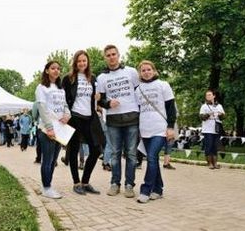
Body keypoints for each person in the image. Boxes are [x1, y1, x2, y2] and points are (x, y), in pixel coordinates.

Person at [97, 44, 140, 198]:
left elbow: (140, 93)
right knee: (115, 153)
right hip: (113, 120)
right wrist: (108, 104)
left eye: (113, 54)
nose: (111, 57)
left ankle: (129, 185)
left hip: (132, 118)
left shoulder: (131, 72)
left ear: (118, 55)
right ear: (105, 58)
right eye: (108, 55)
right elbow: (99, 100)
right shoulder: (101, 78)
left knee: (131, 153)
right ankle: (115, 183)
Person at [62, 50, 105, 195]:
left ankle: (85, 181)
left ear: (87, 62)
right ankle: (76, 182)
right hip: (75, 117)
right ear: (75, 62)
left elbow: (96, 97)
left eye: (84, 61)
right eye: (79, 61)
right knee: (74, 150)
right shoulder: (68, 79)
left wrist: (98, 98)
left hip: (90, 117)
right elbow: (64, 99)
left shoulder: (92, 78)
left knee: (96, 149)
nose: (81, 63)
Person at [134, 60, 177, 203]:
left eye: (148, 69)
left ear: (154, 70)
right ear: (140, 73)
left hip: (160, 129)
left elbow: (171, 108)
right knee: (153, 160)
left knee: (151, 157)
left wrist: (170, 127)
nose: (146, 72)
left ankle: (146, 190)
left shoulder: (163, 85)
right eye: (143, 70)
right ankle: (158, 189)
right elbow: (138, 110)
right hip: (144, 129)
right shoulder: (138, 89)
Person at [35, 61, 71, 199]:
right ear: (47, 71)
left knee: (54, 160)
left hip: (60, 128)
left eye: (58, 69)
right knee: (47, 160)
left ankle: (48, 185)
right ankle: (46, 188)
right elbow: (42, 109)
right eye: (53, 68)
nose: (56, 71)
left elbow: (65, 104)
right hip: (47, 129)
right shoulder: (41, 88)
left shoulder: (60, 88)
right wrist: (49, 128)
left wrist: (68, 114)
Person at [199, 89, 225, 169]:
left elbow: (223, 116)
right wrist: (208, 114)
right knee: (209, 146)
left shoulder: (219, 106)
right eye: (207, 95)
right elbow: (201, 117)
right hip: (207, 130)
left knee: (215, 146)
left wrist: (220, 114)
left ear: (214, 96)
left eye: (209, 95)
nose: (208, 96)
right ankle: (209, 163)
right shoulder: (204, 106)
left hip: (216, 129)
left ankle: (215, 163)